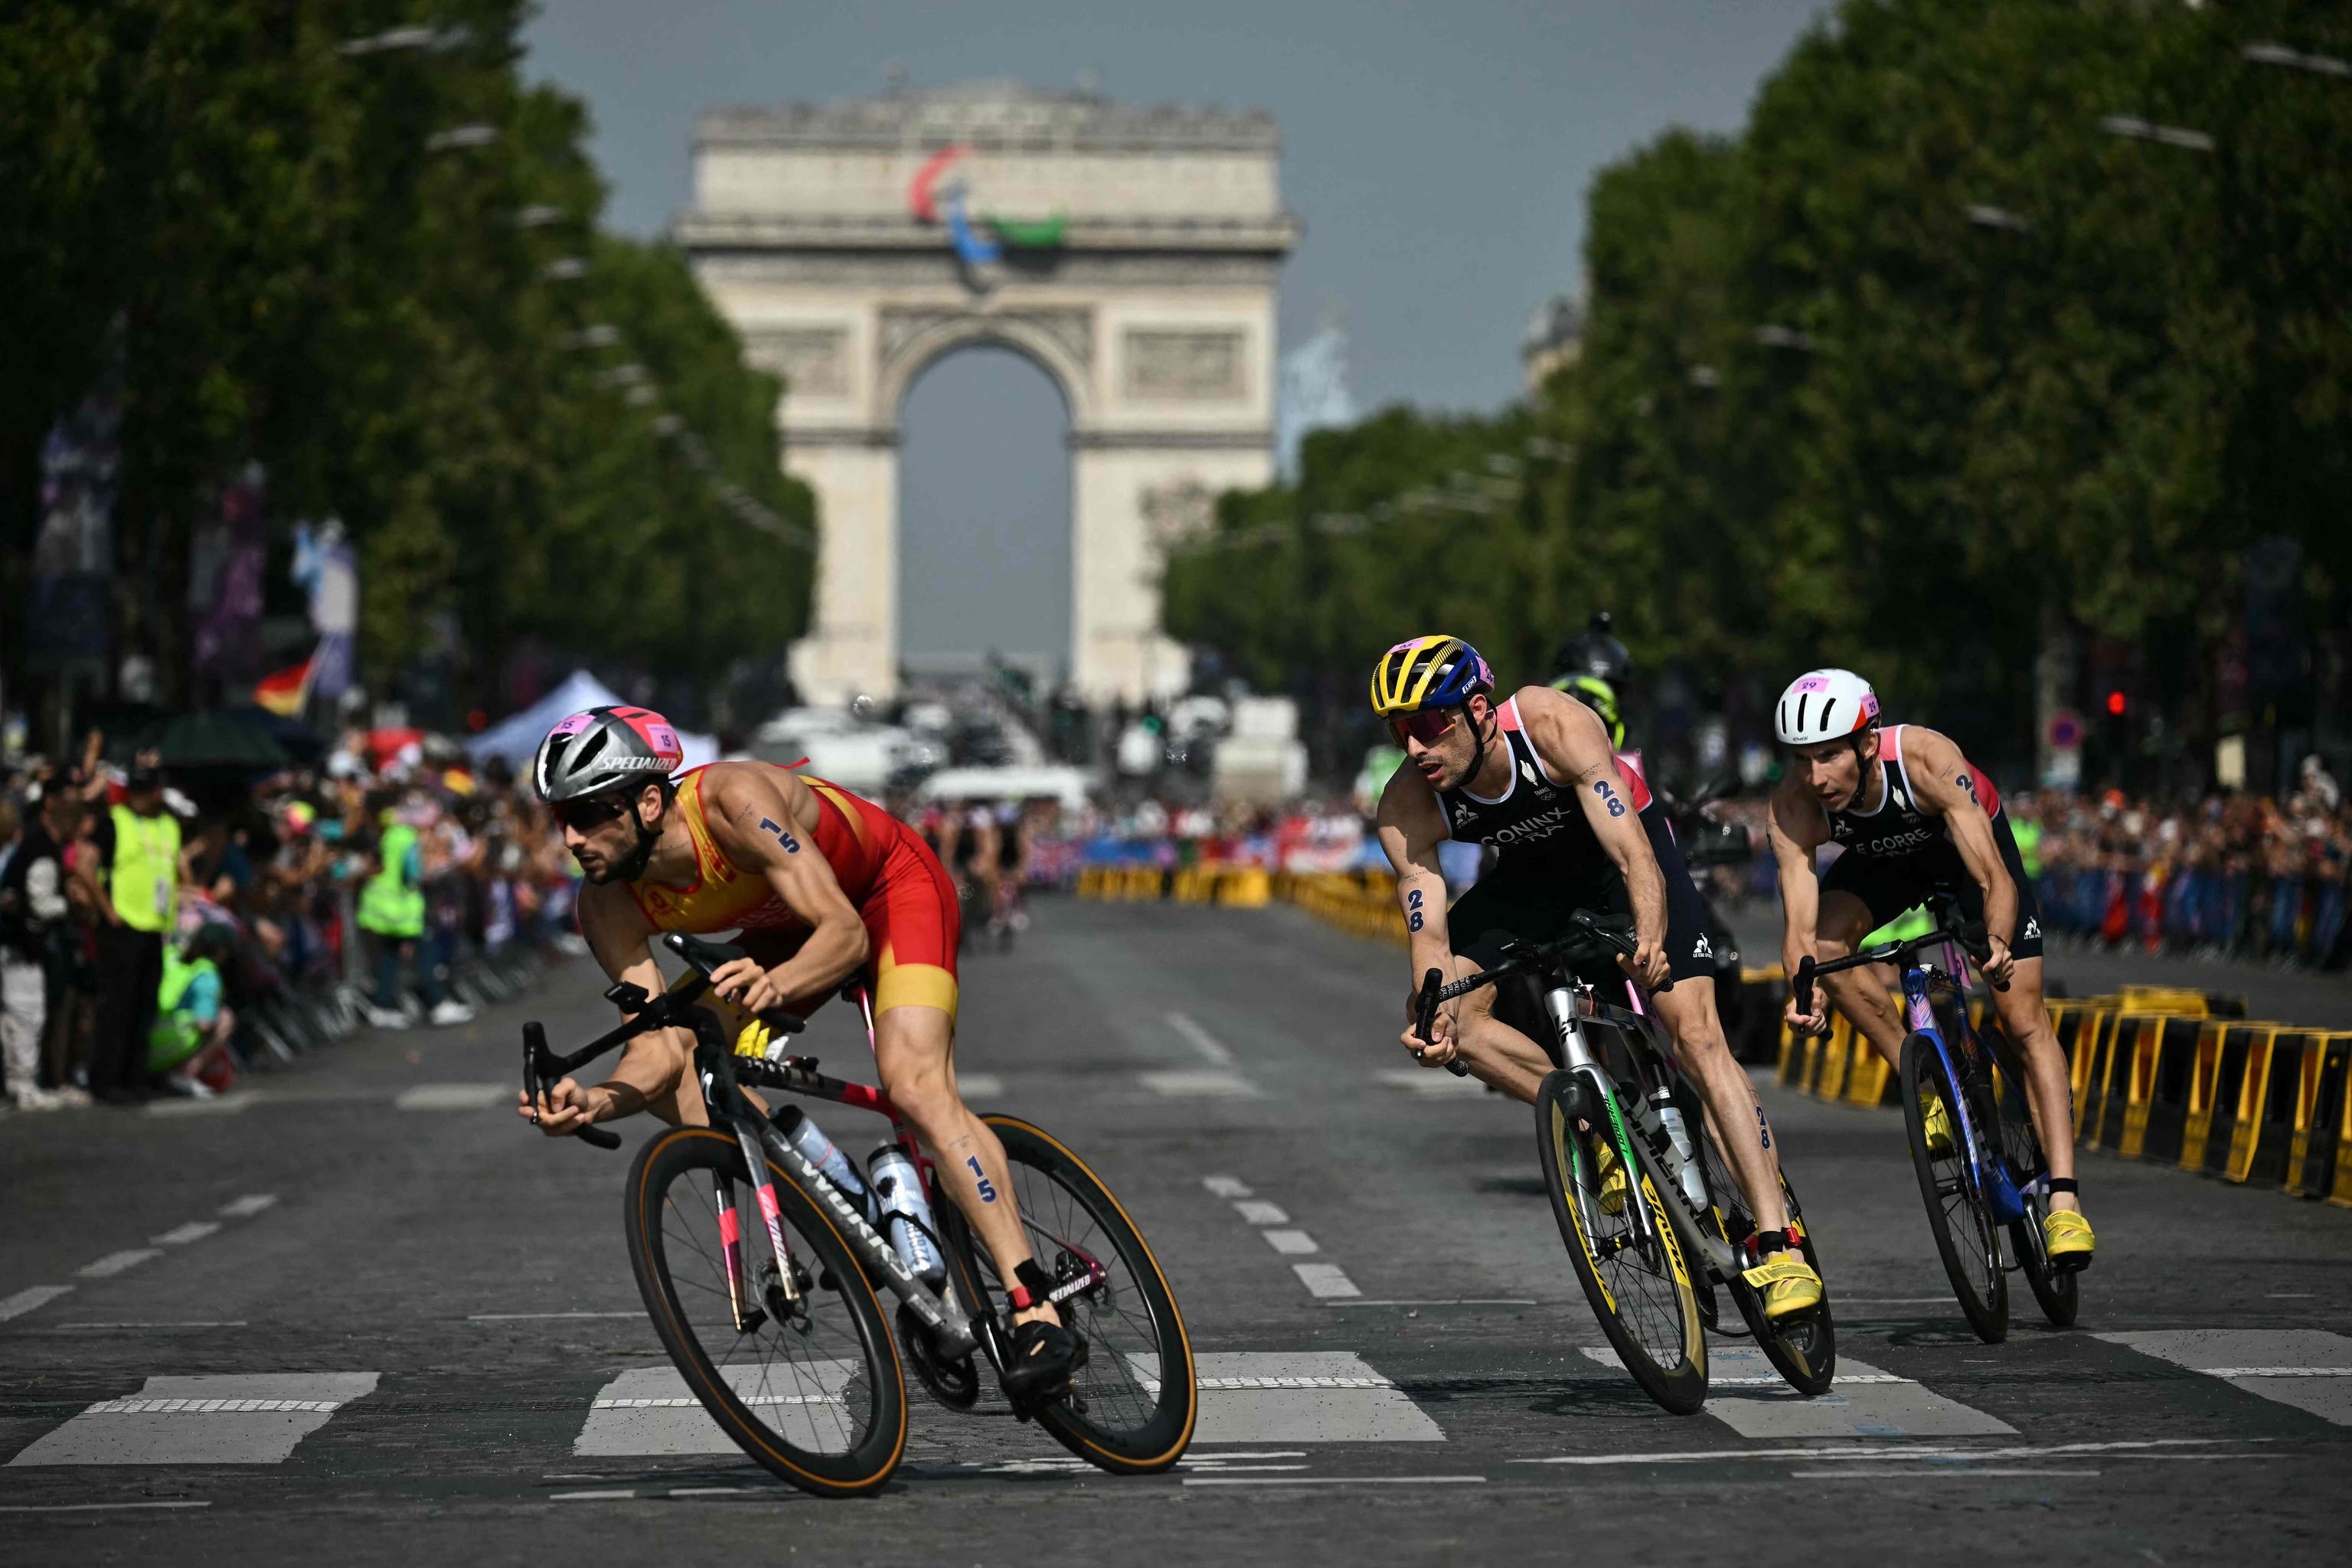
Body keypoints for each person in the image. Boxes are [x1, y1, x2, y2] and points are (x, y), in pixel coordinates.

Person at [514, 706, 1083, 1400]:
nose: (570, 838)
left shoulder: (733, 803)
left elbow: (844, 934)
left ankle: (1035, 1309)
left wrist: (778, 985)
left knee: (913, 1085)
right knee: (687, 1075)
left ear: (650, 802)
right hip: (783, 934)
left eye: (586, 815)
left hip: (884, 895)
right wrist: (596, 1101)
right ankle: (843, 1199)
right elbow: (655, 1053)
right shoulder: (605, 905)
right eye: (559, 818)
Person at [1368, 635, 1823, 1320]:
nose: (1414, 747)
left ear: (1479, 710)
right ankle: (1592, 1124)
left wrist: (1650, 939)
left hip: (1622, 866)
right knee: (1444, 1015)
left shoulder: (1552, 724)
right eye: (1399, 731)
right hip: (1531, 883)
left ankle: (1779, 1243)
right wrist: (1434, 1016)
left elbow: (1634, 854)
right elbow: (1428, 934)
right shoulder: (1406, 805)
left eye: (1429, 724)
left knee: (1697, 1036)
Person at [1762, 668, 2092, 1269]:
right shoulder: (1793, 803)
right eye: (1803, 760)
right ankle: (1923, 1083)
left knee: (2022, 1018)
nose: (1815, 777)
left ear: (1867, 743)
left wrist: (1995, 942)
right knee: (1828, 948)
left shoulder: (1924, 760)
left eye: (1830, 756)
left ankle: (2064, 1202)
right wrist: (1804, 994)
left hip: (1965, 858)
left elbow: (1993, 878)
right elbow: (1800, 929)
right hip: (1885, 864)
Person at [87, 760, 181, 1105]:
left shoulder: (169, 825)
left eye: (146, 790)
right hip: (123, 925)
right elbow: (85, 864)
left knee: (145, 1007)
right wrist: (107, 909)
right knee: (117, 1008)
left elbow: (174, 870)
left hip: (154, 926)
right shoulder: (114, 821)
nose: (139, 797)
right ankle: (107, 1080)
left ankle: (134, 1077)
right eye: (135, 790)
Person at [148, 922, 240, 1098]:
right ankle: (185, 1074)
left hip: (139, 1038)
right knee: (224, 1019)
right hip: (165, 1042)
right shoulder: (206, 973)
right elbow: (204, 1024)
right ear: (222, 951)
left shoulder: (169, 956)